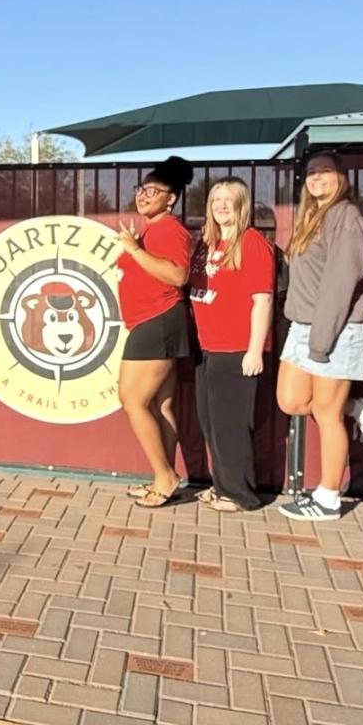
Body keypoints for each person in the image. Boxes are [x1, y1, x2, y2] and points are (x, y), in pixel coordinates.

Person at [276, 151, 363, 522]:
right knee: (291, 400)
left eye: (325, 172)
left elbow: (341, 282)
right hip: (303, 326)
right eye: (311, 173)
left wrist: (322, 342)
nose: (317, 178)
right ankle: (360, 407)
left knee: (325, 412)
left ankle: (328, 498)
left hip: (337, 328)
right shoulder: (312, 217)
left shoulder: (346, 216)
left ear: (342, 177)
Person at [188, 178, 274, 511]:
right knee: (212, 425)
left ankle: (240, 495)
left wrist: (254, 350)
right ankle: (222, 485)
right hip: (207, 348)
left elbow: (262, 301)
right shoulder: (207, 243)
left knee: (232, 428)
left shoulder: (251, 243)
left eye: (229, 200)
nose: (221, 206)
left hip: (235, 349)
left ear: (242, 206)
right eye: (216, 200)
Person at [116, 156, 193, 510]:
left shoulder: (169, 229)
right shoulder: (150, 231)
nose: (144, 195)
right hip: (150, 321)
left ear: (171, 198)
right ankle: (165, 475)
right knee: (161, 404)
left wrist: (133, 250)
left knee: (132, 400)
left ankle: (165, 477)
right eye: (141, 189)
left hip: (157, 320)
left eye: (153, 191)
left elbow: (177, 275)